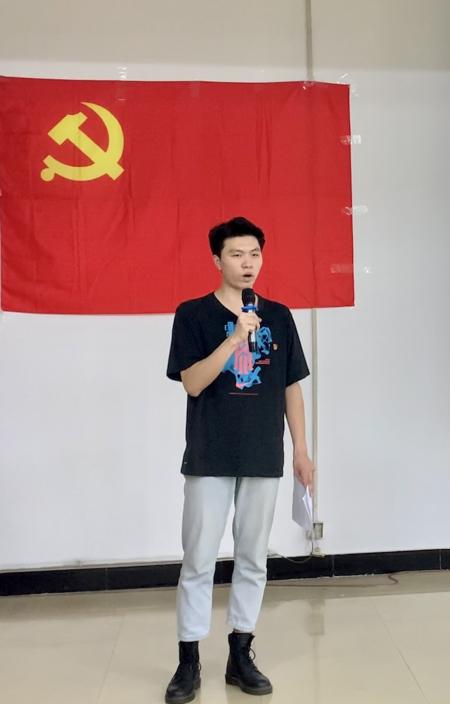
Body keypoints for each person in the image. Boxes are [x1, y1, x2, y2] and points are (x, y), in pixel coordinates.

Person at [163, 216, 315, 703]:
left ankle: (240, 652)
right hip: (210, 453)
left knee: (253, 557)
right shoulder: (193, 315)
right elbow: (192, 383)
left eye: (254, 254)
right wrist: (233, 338)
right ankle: (188, 660)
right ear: (217, 260)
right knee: (199, 559)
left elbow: (291, 386)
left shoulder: (280, 316)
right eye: (236, 254)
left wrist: (302, 450)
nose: (248, 263)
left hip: (262, 452)